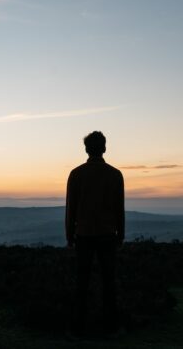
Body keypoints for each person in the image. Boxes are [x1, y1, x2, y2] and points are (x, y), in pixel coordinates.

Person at [65, 131, 125, 335]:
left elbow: (70, 208)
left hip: (83, 235)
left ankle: (77, 329)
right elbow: (119, 208)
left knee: (81, 282)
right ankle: (111, 328)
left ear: (86, 149)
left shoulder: (76, 174)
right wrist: (121, 235)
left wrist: (69, 236)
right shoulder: (115, 174)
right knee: (109, 282)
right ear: (104, 148)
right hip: (108, 234)